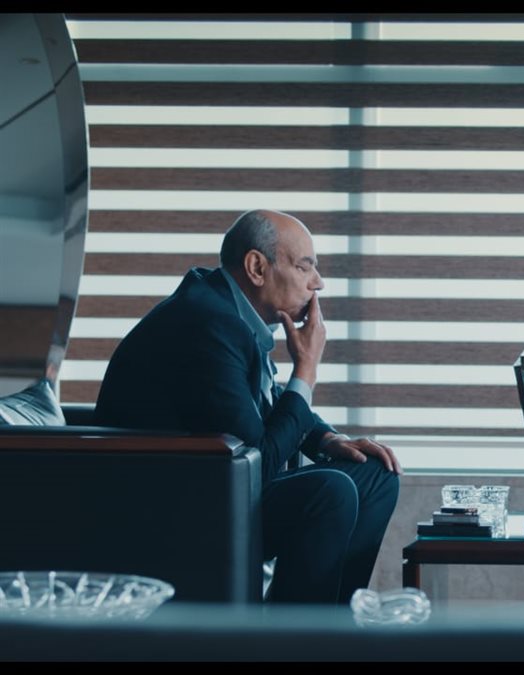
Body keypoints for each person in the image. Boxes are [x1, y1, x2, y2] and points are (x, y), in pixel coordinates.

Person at [95, 209, 401, 604]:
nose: (318, 283)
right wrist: (306, 369)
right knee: (330, 491)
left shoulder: (225, 310)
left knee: (376, 474)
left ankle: (333, 625)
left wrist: (327, 440)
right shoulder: (206, 323)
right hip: (171, 508)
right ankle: (293, 633)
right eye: (305, 267)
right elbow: (259, 463)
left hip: (213, 485)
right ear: (257, 267)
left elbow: (259, 400)